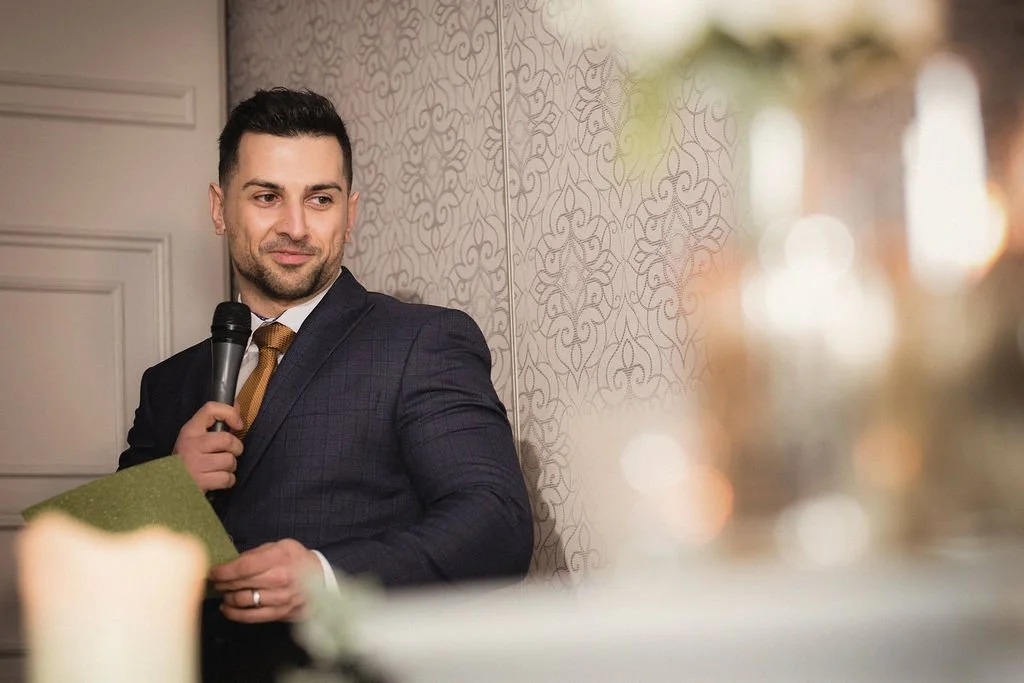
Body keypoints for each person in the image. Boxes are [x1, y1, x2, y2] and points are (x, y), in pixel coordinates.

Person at [117, 87, 534, 681]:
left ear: (351, 211)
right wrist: (170, 487)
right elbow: (103, 570)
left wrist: (328, 575)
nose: (295, 226)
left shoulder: (422, 342)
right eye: (266, 196)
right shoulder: (168, 382)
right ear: (219, 207)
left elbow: (497, 525)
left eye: (320, 199)